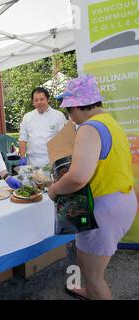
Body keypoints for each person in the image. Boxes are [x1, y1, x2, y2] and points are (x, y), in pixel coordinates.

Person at [47, 75, 137, 300]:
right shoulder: (110, 121)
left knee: (93, 274)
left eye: (69, 110)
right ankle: (87, 291)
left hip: (105, 207)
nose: (71, 118)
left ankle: (93, 292)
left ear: (77, 106)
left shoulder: (89, 128)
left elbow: (78, 177)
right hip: (122, 199)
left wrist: (55, 189)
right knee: (86, 260)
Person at [18, 87, 66, 167]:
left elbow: (63, 140)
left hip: (51, 161)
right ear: (33, 102)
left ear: (48, 99)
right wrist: (22, 157)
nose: (39, 102)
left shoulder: (58, 116)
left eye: (42, 99)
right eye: (36, 100)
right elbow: (23, 139)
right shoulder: (27, 117)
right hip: (31, 161)